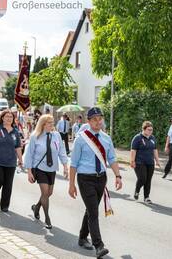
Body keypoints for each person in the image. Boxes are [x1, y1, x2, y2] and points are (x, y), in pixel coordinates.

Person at [69, 107, 122, 258]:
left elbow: (112, 158)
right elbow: (73, 163)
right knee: (93, 211)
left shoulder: (106, 138)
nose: (98, 122)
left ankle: (82, 237)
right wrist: (71, 184)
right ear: (89, 121)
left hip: (101, 178)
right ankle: (98, 245)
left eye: (100, 119)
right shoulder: (81, 139)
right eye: (95, 119)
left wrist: (118, 176)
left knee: (90, 209)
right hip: (85, 178)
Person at [24, 114, 69, 229]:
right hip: (40, 168)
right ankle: (47, 219)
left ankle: (37, 207)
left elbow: (62, 151)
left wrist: (65, 165)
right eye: (49, 123)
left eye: (52, 123)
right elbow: (29, 154)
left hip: (52, 168)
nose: (52, 125)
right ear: (43, 124)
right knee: (45, 193)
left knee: (49, 193)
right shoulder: (35, 136)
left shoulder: (57, 135)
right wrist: (29, 171)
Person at [130, 121, 161, 204]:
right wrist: (132, 161)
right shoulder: (137, 138)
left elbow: (155, 150)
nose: (150, 132)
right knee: (142, 179)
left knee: (148, 180)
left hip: (150, 162)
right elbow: (133, 150)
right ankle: (137, 191)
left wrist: (157, 161)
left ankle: (146, 197)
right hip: (139, 162)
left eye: (151, 130)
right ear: (143, 129)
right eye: (148, 130)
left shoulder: (152, 138)